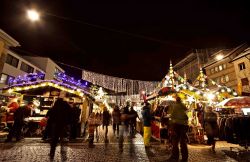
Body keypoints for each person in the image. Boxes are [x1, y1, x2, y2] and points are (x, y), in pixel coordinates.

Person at [168, 96, 189, 162]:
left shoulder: (175, 106)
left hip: (176, 126)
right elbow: (186, 117)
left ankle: (175, 157)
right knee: (183, 142)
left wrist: (170, 124)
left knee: (175, 142)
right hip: (184, 126)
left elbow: (171, 116)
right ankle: (184, 158)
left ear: (176, 100)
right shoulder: (183, 106)